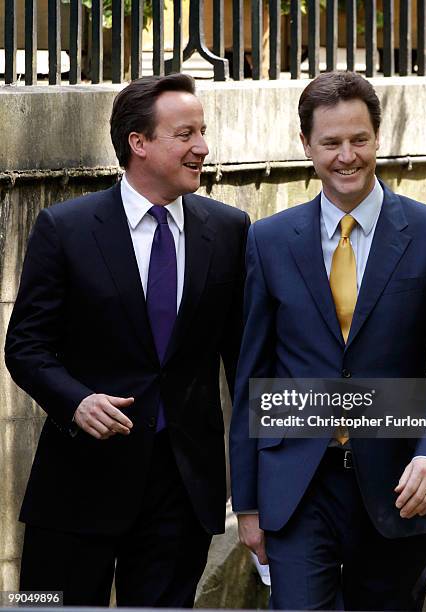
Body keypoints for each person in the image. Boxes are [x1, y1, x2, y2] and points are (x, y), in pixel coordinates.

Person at [229, 71, 426, 611]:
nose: (347, 156)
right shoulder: (269, 240)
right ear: (306, 145)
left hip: (400, 483)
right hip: (298, 484)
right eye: (331, 143)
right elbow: (253, 372)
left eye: (359, 140)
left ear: (378, 137)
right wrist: (247, 502)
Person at [5, 73, 249, 607]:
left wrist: (252, 493)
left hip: (183, 492)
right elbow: (24, 346)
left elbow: (244, 364)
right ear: (138, 143)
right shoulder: (64, 227)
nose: (202, 147)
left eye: (202, 132)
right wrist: (76, 400)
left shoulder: (230, 230)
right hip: (77, 486)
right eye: (185, 134)